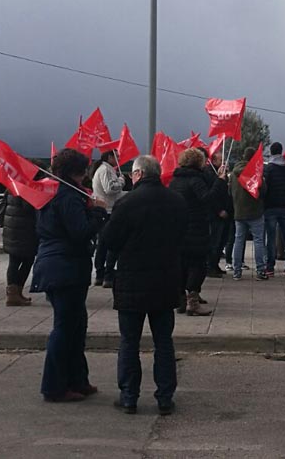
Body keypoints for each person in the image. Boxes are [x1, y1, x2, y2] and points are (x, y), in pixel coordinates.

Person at [101, 154, 187, 415]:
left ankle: (129, 396)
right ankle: (164, 398)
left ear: (137, 174)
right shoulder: (176, 201)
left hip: (131, 281)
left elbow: (109, 241)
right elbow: (183, 236)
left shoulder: (127, 203)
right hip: (165, 280)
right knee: (163, 341)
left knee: (129, 341)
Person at [31, 148, 108, 403]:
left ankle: (78, 379)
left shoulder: (51, 192)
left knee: (77, 324)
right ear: (79, 171)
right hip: (65, 266)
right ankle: (54, 386)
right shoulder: (67, 196)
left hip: (55, 263)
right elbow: (80, 232)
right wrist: (97, 212)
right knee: (65, 328)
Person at [168, 148, 215, 316]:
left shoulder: (175, 181)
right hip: (196, 228)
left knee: (182, 264)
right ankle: (192, 301)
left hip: (178, 228)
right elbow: (207, 199)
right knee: (198, 265)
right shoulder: (196, 180)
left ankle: (181, 300)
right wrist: (221, 183)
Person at [262, 142, 285, 277]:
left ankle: (270, 267)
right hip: (284, 207)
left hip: (270, 207)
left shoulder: (268, 169)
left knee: (271, 238)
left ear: (271, 152)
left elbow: (263, 187)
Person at [230, 146, 268, 281]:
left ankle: (236, 271)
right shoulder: (256, 172)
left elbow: (230, 191)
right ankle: (260, 270)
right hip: (255, 211)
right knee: (258, 240)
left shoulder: (234, 173)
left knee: (238, 240)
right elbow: (263, 191)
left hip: (239, 211)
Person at [91, 150, 126, 288]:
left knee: (103, 244)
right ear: (110, 157)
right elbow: (110, 189)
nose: (118, 158)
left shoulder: (105, 169)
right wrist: (122, 181)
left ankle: (101, 274)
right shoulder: (106, 170)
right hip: (108, 210)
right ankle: (107, 274)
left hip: (105, 209)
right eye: (116, 156)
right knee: (110, 243)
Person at [1, 189, 39, 307]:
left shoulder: (12, 187)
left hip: (13, 228)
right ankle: (15, 293)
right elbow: (28, 207)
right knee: (27, 260)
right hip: (24, 229)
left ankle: (14, 293)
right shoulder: (26, 189)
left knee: (14, 261)